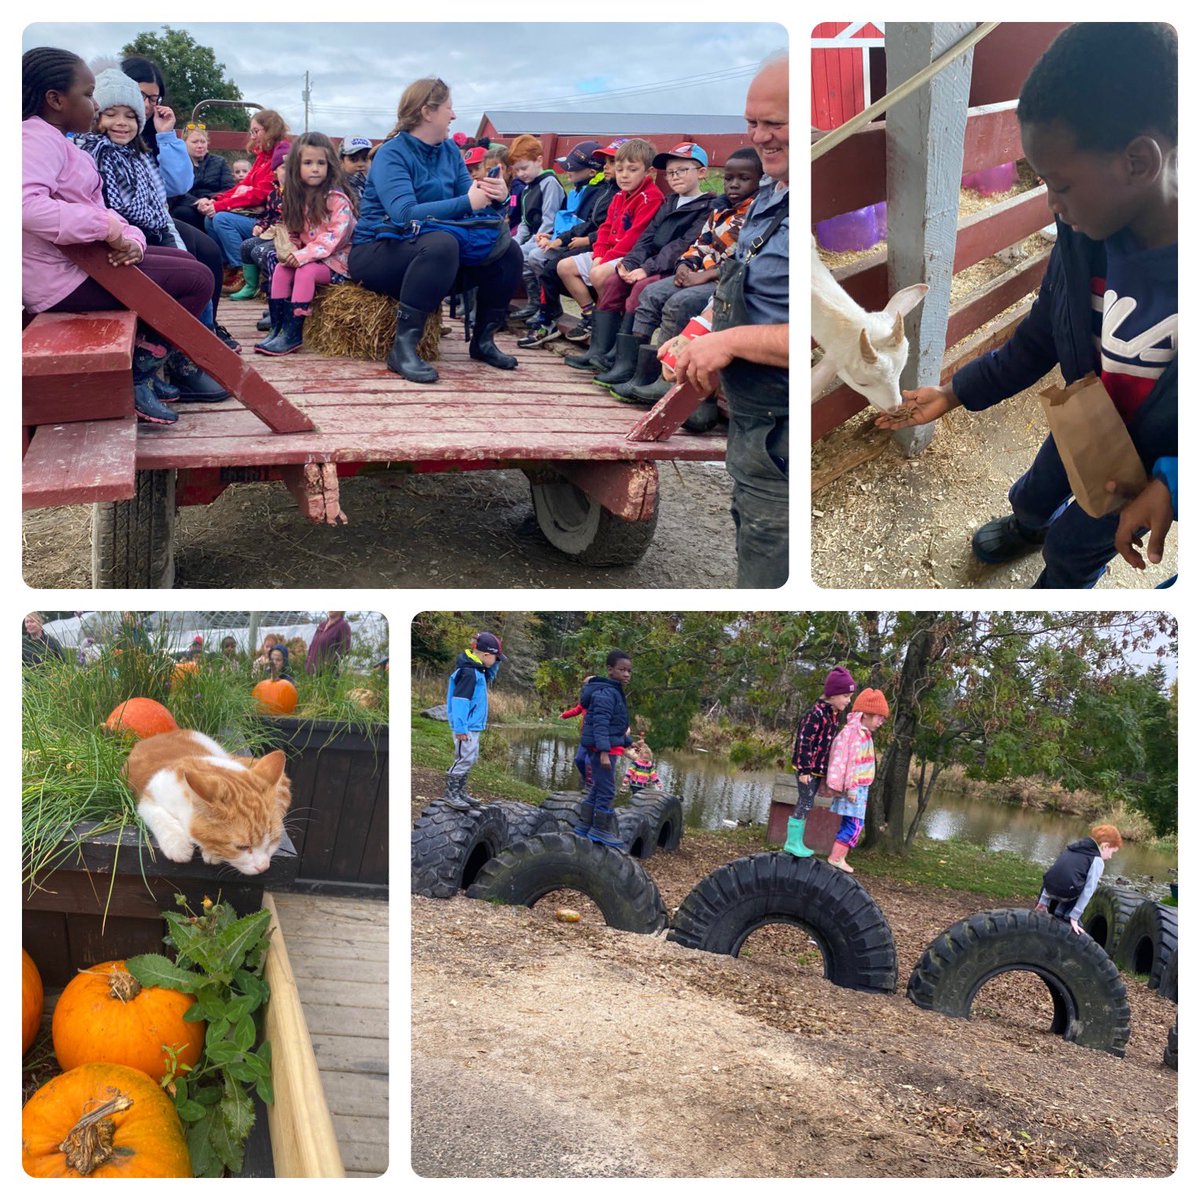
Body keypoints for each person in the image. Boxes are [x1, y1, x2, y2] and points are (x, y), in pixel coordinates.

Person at [876, 24, 1176, 590]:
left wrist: (1175, 483)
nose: (1052, 206)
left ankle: (1059, 581)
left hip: (1145, 466)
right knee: (1040, 486)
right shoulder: (1084, 233)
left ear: (1137, 162)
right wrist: (954, 392)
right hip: (1087, 413)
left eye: (1059, 184)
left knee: (1078, 547)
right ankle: (1028, 524)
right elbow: (1043, 334)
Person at [22, 48, 228, 425]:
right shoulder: (34, 140)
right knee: (196, 279)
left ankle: (148, 362)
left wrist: (130, 238)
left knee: (189, 263)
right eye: (87, 95)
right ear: (55, 100)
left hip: (84, 261)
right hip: (59, 279)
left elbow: (105, 209)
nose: (94, 103)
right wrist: (109, 230)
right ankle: (139, 374)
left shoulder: (56, 141)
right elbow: (24, 207)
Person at [664, 54, 789, 589]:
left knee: (768, 560)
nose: (760, 136)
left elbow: (819, 336)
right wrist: (697, 339)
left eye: (775, 123)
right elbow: (741, 287)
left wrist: (730, 342)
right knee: (748, 529)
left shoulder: (817, 202)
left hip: (785, 427)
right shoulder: (772, 194)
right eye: (752, 122)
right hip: (751, 422)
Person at [348, 77, 523, 384]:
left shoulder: (450, 153)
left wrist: (496, 197)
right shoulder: (392, 154)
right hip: (378, 252)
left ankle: (483, 341)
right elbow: (402, 215)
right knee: (441, 244)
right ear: (428, 112)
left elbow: (471, 206)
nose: (453, 116)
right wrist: (468, 200)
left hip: (434, 253)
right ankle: (402, 349)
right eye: (449, 108)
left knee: (508, 250)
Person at [614, 146, 762, 415]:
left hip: (722, 280)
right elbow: (700, 243)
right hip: (697, 272)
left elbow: (745, 256)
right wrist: (684, 264)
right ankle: (639, 372)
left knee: (678, 303)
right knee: (651, 294)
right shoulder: (719, 209)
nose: (734, 184)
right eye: (729, 178)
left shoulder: (755, 213)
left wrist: (703, 275)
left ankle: (665, 378)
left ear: (760, 180)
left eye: (744, 178)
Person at [578, 141, 721, 383]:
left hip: (672, 267)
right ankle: (603, 351)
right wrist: (632, 263)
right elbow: (647, 237)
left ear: (702, 172)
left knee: (642, 289)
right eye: (671, 172)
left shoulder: (707, 206)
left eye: (683, 170)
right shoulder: (669, 202)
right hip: (650, 263)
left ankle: (630, 363)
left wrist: (646, 269)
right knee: (614, 281)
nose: (675, 177)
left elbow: (681, 245)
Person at [120, 54, 234, 354]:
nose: (146, 104)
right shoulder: (113, 132)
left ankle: (207, 327)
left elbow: (179, 184)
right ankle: (185, 340)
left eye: (153, 97)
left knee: (207, 249)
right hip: (131, 223)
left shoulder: (154, 135)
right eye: (140, 95)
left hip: (159, 215)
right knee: (189, 246)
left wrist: (167, 135)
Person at [558, 138, 663, 361]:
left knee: (599, 273)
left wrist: (605, 259)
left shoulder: (650, 197)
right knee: (565, 266)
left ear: (648, 172)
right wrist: (598, 254)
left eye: (632, 170)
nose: (624, 175)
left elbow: (636, 235)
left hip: (630, 256)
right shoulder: (618, 196)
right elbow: (606, 228)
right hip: (608, 253)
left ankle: (607, 332)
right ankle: (591, 315)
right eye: (620, 168)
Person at [256, 133, 357, 356]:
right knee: (282, 270)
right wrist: (292, 250)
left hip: (337, 262)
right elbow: (293, 232)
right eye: (308, 163)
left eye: (321, 163)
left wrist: (304, 255)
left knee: (305, 272)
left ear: (330, 166)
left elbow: (335, 238)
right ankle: (277, 328)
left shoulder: (337, 200)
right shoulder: (296, 198)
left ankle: (293, 334)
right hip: (309, 256)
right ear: (296, 167)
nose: (315, 169)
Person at [520, 142, 619, 348]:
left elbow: (606, 228)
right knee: (546, 263)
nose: (567, 172)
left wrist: (587, 240)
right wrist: (560, 239)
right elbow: (592, 224)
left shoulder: (605, 192)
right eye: (608, 162)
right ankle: (549, 313)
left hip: (607, 250)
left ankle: (555, 318)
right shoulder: (604, 191)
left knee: (549, 266)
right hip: (590, 243)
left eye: (614, 162)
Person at [196, 110, 290, 287]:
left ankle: (242, 271)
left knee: (222, 219)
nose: (252, 136)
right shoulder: (263, 156)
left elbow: (259, 194)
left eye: (256, 131)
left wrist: (222, 206)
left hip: (270, 221)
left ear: (270, 130)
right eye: (251, 131)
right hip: (256, 215)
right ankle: (228, 267)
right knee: (211, 219)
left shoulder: (280, 159)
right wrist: (217, 200)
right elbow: (243, 186)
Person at [786, 666, 856, 858]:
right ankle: (792, 841)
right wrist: (804, 770)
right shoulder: (816, 714)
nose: (848, 701)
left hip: (817, 770)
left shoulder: (832, 715)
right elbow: (804, 741)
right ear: (833, 694)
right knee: (805, 802)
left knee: (808, 802)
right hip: (807, 769)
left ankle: (796, 840)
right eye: (845, 696)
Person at [822, 688, 888, 872]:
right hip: (855, 788)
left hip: (860, 788)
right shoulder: (856, 735)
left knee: (853, 823)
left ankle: (839, 856)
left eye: (883, 718)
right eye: (878, 717)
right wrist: (851, 787)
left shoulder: (863, 733)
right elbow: (851, 763)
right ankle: (836, 857)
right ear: (866, 714)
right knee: (854, 824)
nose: (881, 722)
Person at [572, 650, 634, 847]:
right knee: (607, 790)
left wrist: (627, 741)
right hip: (601, 751)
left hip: (604, 747)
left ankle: (584, 825)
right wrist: (604, 753)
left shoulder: (612, 691)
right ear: (610, 670)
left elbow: (613, 726)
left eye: (629, 671)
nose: (626, 674)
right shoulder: (607, 693)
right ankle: (600, 829)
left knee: (598, 787)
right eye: (622, 670)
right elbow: (600, 724)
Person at [445, 631, 507, 810]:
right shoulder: (469, 673)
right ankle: (451, 793)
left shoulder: (479, 670)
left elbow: (491, 675)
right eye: (496, 658)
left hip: (473, 725)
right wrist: (461, 728)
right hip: (464, 726)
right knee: (463, 758)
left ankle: (461, 791)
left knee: (470, 757)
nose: (497, 662)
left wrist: (496, 662)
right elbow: (460, 702)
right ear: (486, 655)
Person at [508, 135, 567, 319]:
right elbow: (525, 221)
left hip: (550, 237)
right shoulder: (527, 188)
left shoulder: (549, 183)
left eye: (524, 168)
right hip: (535, 237)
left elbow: (550, 219)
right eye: (517, 171)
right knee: (512, 250)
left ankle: (544, 304)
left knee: (527, 255)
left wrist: (530, 242)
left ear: (539, 160)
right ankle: (533, 302)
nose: (521, 174)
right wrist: (515, 241)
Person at [229, 142, 289, 303]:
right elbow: (268, 217)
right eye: (283, 168)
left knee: (259, 251)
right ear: (275, 171)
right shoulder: (273, 195)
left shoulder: (298, 194)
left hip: (289, 236)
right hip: (273, 232)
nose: (288, 172)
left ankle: (270, 291)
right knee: (247, 245)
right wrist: (260, 225)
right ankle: (250, 285)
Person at [1036, 824, 1123, 934]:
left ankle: (1059, 911)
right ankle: (1067, 915)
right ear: (1105, 846)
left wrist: (1043, 901)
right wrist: (1075, 917)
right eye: (1112, 852)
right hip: (1067, 893)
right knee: (1091, 885)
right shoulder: (1097, 860)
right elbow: (1088, 890)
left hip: (1049, 890)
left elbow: (1054, 872)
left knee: (1072, 877)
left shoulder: (1071, 848)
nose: (1110, 857)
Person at [171, 122, 234, 229]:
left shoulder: (220, 162)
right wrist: (197, 202)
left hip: (214, 203)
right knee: (182, 213)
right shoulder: (178, 163)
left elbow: (229, 188)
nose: (200, 145)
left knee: (219, 215)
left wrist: (209, 200)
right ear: (184, 143)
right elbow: (175, 191)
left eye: (203, 142)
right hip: (188, 205)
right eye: (195, 142)